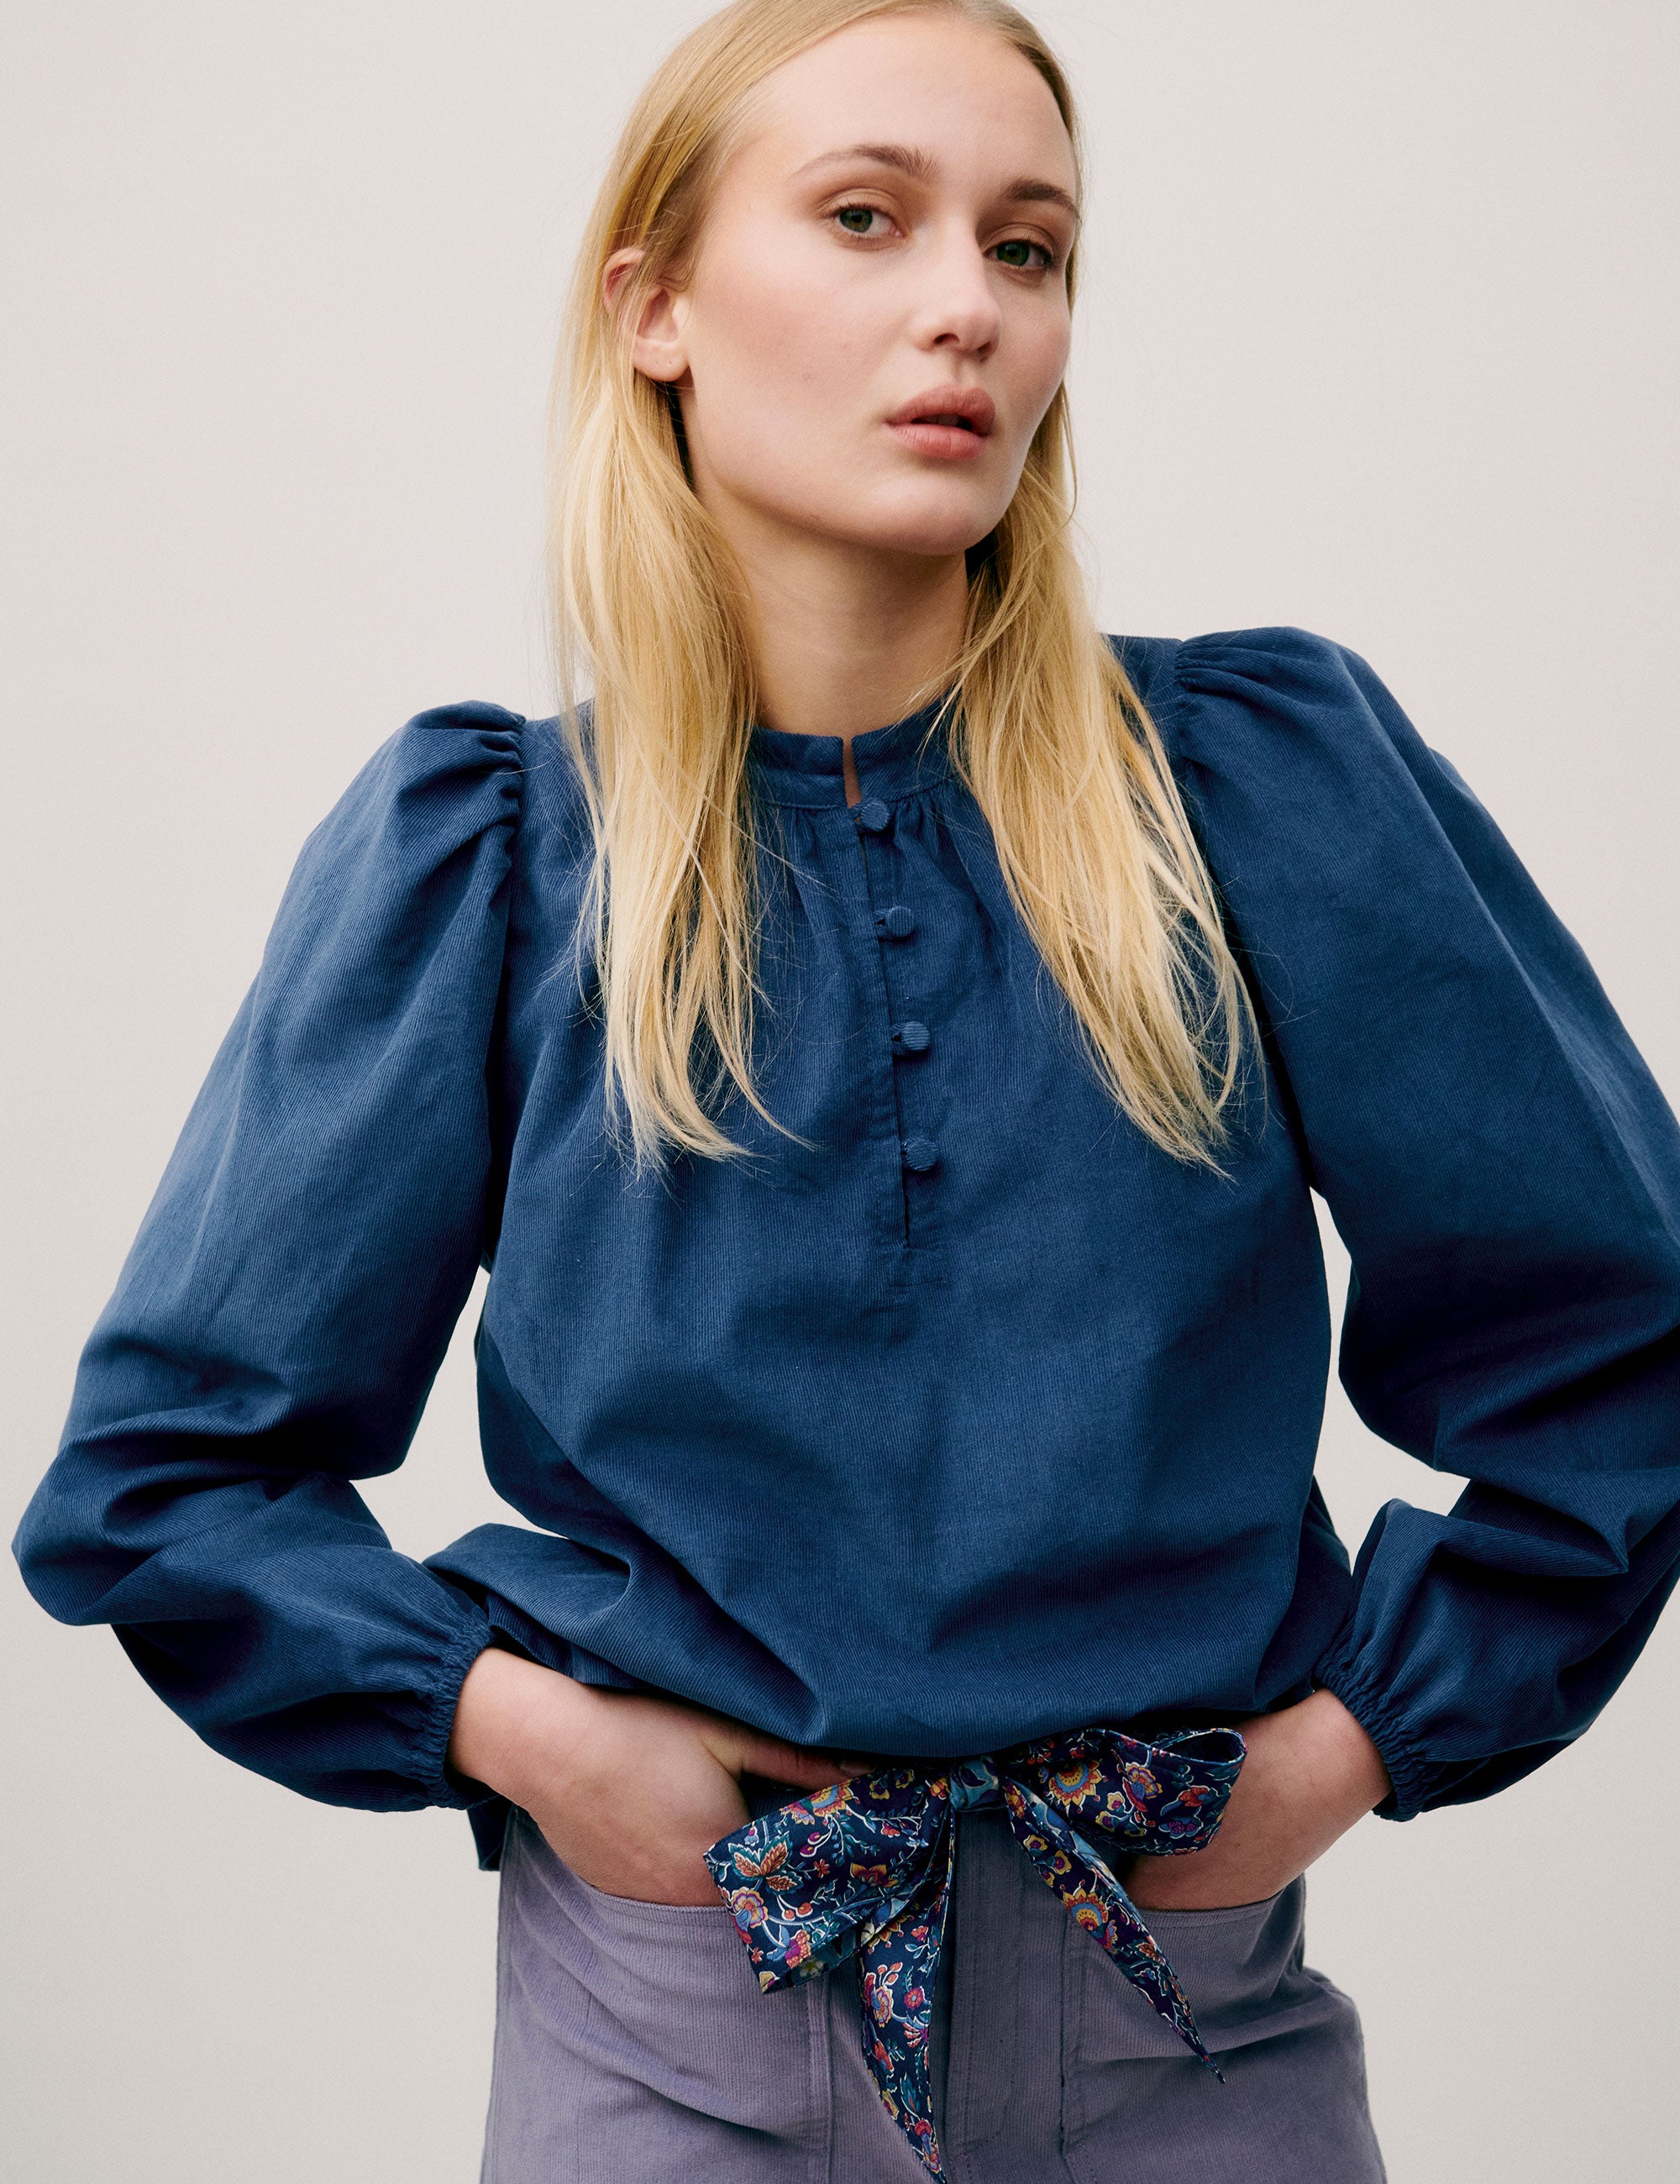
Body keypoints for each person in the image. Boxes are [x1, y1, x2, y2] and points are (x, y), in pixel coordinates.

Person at [15, 1, 1680, 2177]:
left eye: (1030, 247)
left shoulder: (1260, 797)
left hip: (1192, 2029)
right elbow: (162, 1479)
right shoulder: (502, 864)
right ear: (660, 309)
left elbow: (1618, 1333)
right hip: (676, 2036)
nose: (965, 310)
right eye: (870, 219)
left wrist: (1357, 1740)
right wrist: (528, 1741)